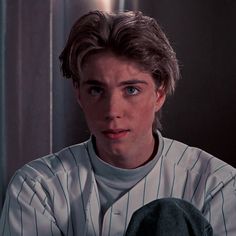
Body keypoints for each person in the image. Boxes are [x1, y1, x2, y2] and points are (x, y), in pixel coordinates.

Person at [0, 10, 235, 236]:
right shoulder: (36, 188)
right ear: (79, 94)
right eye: (96, 90)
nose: (112, 111)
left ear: (159, 93)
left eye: (131, 89)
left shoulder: (217, 185)